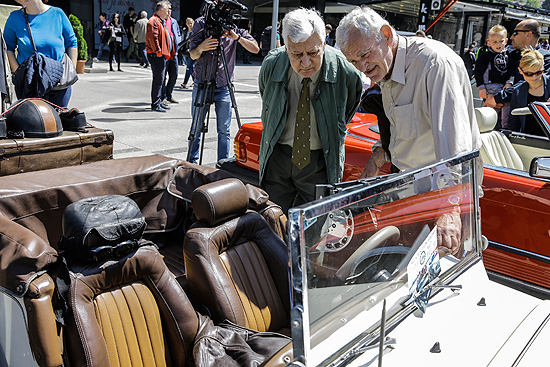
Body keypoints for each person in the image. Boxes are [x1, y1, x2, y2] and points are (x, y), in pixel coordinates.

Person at [337, 6, 480, 255]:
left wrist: (450, 209)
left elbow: (456, 145)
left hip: (444, 198)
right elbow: (401, 131)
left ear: (386, 35)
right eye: (353, 61)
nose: (362, 66)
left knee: (448, 279)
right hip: (415, 196)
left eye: (365, 54)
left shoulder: (432, 64)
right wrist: (374, 162)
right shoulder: (387, 68)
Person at [258, 8, 362, 214]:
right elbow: (267, 100)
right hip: (277, 157)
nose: (305, 63)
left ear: (324, 44)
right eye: (297, 54)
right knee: (271, 223)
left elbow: (349, 108)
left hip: (318, 163)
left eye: (313, 53)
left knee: (315, 229)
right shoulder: (272, 64)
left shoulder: (345, 70)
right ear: (286, 48)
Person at [188, 3, 259, 163]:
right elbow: (192, 55)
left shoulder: (233, 27)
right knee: (196, 127)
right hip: (201, 83)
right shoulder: (201, 23)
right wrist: (201, 47)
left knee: (224, 130)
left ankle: (223, 164)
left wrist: (238, 38)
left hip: (224, 86)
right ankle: (191, 163)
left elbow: (256, 49)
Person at [4, 0, 77, 107]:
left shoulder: (57, 14)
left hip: (58, 83)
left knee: (58, 121)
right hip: (30, 83)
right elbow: (8, 47)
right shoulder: (15, 18)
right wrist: (19, 72)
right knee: (32, 121)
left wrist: (71, 70)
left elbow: (72, 42)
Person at [487, 19, 550, 109]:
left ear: (528, 34)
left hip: (525, 114)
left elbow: (529, 82)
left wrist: (497, 98)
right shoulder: (510, 55)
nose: (512, 37)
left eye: (515, 33)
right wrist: (488, 95)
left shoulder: (545, 58)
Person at [494, 49, 550, 136]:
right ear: (520, 71)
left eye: (539, 72)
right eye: (529, 73)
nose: (534, 77)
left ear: (543, 68)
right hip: (530, 140)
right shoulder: (518, 92)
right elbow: (514, 123)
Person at [474, 25, 511, 127]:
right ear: (488, 42)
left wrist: (509, 82)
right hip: (490, 87)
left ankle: (505, 129)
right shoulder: (485, 56)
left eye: (501, 41)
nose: (498, 44)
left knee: (506, 111)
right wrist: (481, 88)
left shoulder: (508, 55)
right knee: (490, 115)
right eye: (494, 42)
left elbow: (511, 71)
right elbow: (478, 72)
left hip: (503, 87)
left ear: (506, 41)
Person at [146, 1, 174, 112]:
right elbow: (154, 38)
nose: (169, 12)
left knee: (160, 80)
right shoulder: (153, 21)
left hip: (161, 55)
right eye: (167, 10)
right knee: (158, 80)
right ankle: (155, 104)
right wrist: (158, 52)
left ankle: (158, 102)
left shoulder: (159, 21)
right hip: (156, 55)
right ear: (161, 10)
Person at [162, 6, 182, 104]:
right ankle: (163, 96)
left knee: (174, 75)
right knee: (163, 76)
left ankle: (169, 94)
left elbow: (178, 34)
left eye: (170, 9)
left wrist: (178, 42)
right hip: (164, 54)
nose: (169, 11)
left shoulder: (173, 21)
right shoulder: (160, 21)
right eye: (167, 9)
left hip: (174, 53)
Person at [181, 17, 194, 88]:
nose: (190, 25)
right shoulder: (185, 31)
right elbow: (182, 40)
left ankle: (185, 82)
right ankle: (195, 81)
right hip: (186, 51)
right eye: (188, 23)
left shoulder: (195, 31)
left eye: (191, 23)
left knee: (189, 67)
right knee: (190, 67)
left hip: (192, 51)